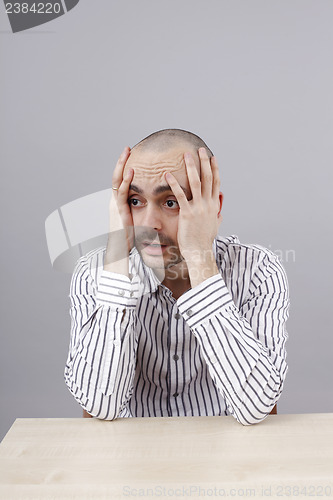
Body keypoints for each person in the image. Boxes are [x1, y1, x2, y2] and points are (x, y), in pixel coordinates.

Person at [64, 129, 289, 425]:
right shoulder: (93, 274)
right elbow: (100, 406)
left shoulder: (258, 270)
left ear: (214, 207)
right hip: (131, 459)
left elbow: (256, 406)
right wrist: (117, 261)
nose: (148, 224)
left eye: (171, 202)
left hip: (229, 459)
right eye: (135, 201)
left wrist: (200, 261)